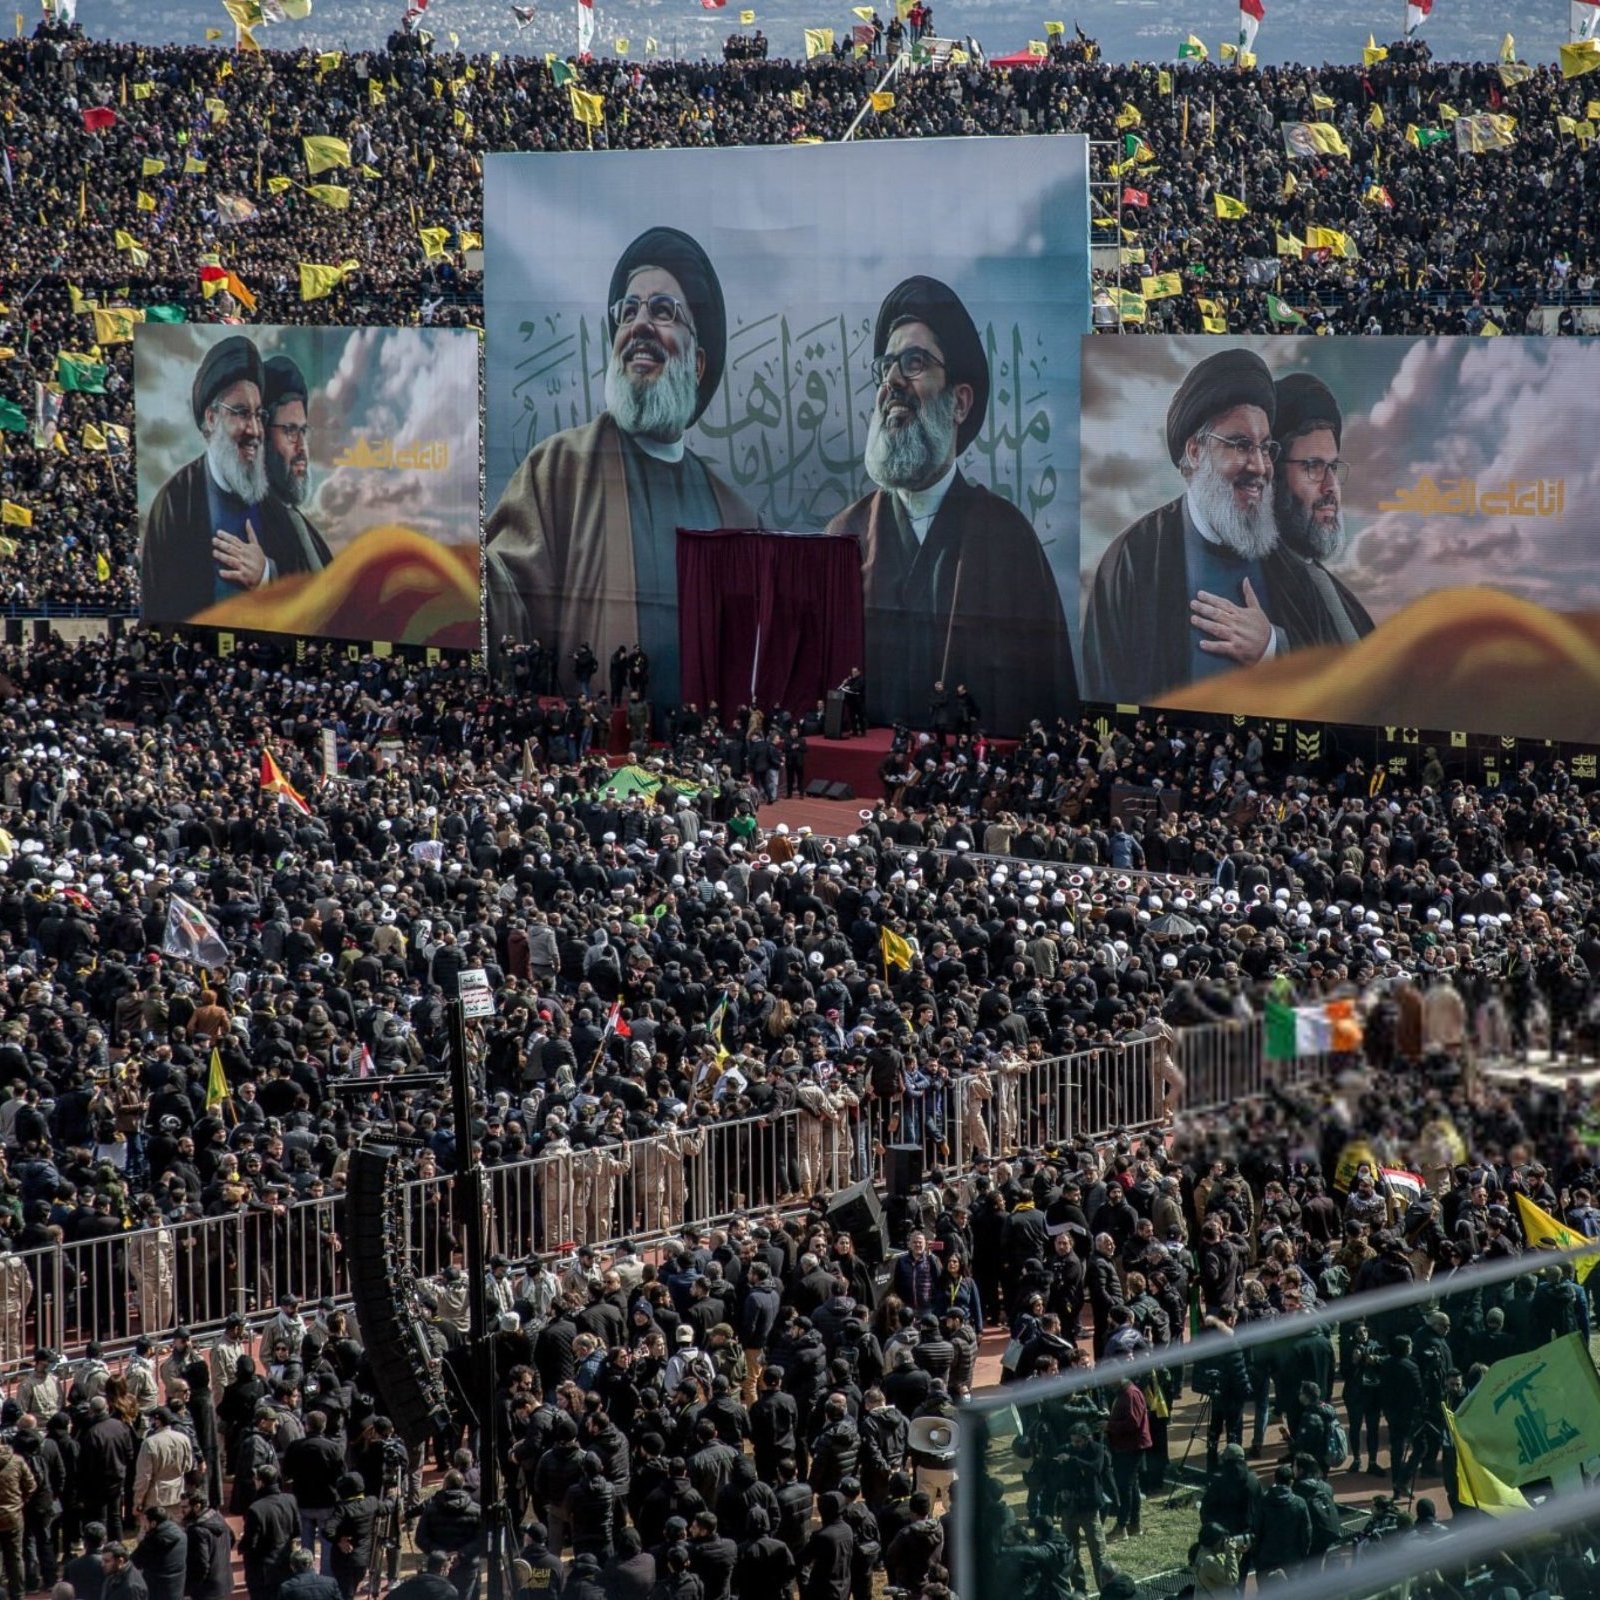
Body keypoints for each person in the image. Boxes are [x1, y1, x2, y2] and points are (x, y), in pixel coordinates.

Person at [484, 227, 759, 704]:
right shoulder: (558, 468)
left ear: (697, 364)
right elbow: (505, 601)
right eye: (628, 311)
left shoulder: (735, 513)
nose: (639, 326)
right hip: (597, 742)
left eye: (663, 310)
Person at [825, 275, 1077, 734]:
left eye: (914, 362)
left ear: (959, 402)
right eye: (885, 368)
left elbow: (1047, 695)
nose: (893, 383)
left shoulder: (1008, 539)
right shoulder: (843, 536)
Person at [1080, 347, 1366, 705]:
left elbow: (1341, 681)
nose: (1260, 466)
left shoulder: (1293, 571)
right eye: (1241, 444)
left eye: (1265, 447)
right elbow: (1103, 691)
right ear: (1196, 451)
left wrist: (1271, 647)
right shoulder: (1133, 560)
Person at [140, 335, 329, 625]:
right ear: (212, 418)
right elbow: (161, 610)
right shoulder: (175, 504)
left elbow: (318, 600)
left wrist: (266, 573)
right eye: (241, 413)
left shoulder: (276, 509)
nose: (254, 429)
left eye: (258, 414)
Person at [1270, 372, 1373, 642]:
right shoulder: (1253, 582)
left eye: (1333, 467)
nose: (1330, 486)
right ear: (1273, 476)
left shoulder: (1341, 597)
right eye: (1313, 466)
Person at [260, 353, 334, 576]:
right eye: (290, 431)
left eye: (303, 431)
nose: (302, 447)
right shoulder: (249, 521)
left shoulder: (302, 527)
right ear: (262, 435)